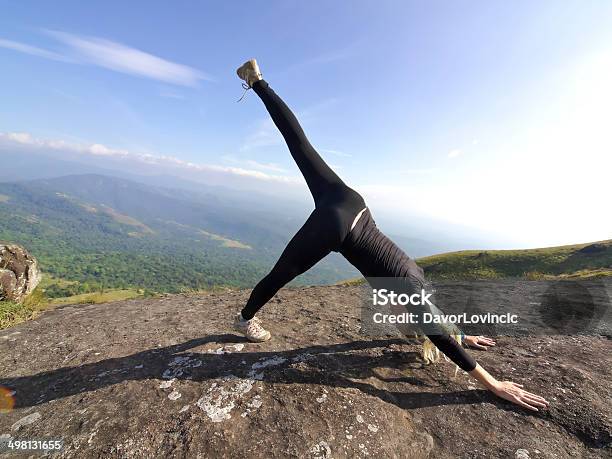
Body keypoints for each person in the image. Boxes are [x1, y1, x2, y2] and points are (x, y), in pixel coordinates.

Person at [232, 59, 549, 412]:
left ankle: (258, 81)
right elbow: (438, 334)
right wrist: (494, 384)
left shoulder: (416, 275)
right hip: (335, 230)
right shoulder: (409, 295)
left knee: (300, 144)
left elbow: (436, 320)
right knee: (280, 275)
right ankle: (244, 320)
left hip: (351, 201)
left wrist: (464, 334)